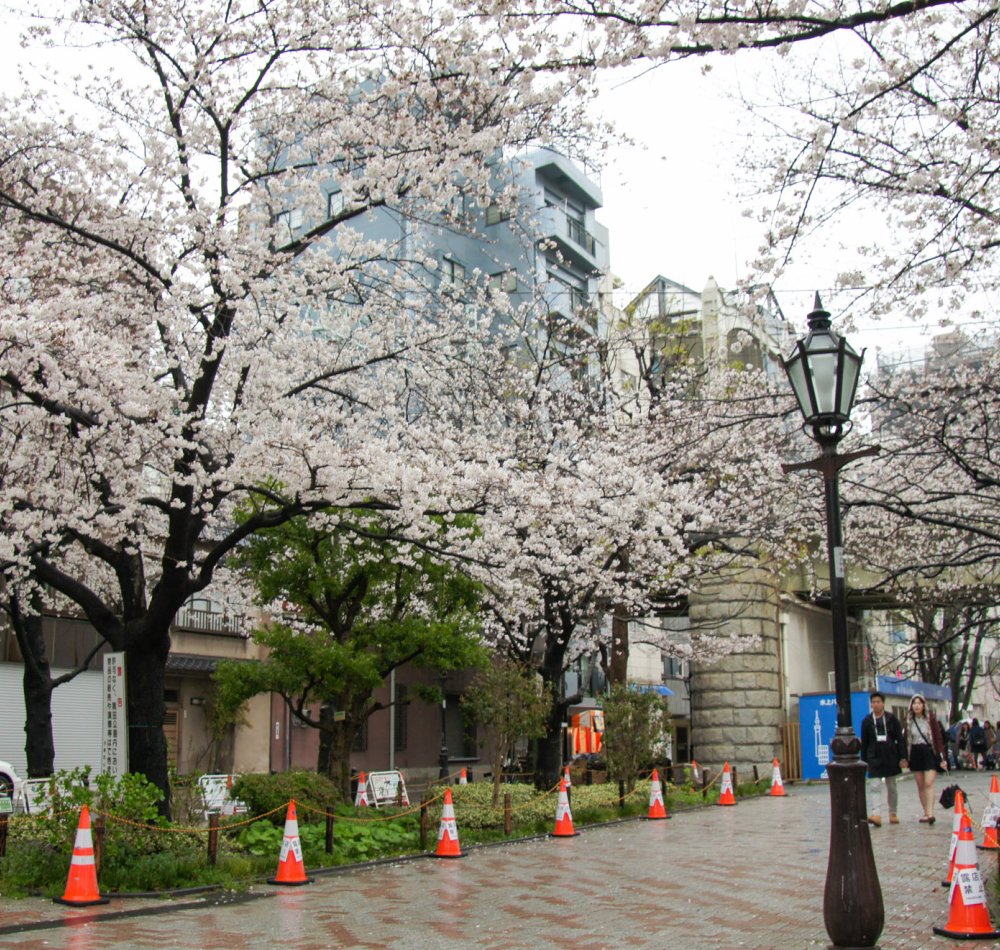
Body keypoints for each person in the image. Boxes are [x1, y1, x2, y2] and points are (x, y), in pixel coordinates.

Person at [860, 691, 907, 827]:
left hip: (890, 756)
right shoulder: (867, 721)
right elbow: (865, 743)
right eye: (873, 702)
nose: (876, 704)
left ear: (883, 703)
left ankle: (893, 812)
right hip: (874, 757)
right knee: (874, 786)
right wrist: (864, 761)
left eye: (878, 702)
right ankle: (876, 814)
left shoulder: (892, 719)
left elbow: (900, 739)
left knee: (891, 786)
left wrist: (902, 756)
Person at [905, 694, 947, 824]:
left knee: (929, 782)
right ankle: (925, 812)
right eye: (914, 703)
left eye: (919, 703)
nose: (917, 705)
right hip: (916, 752)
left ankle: (930, 813)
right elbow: (906, 739)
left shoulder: (930, 719)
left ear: (924, 705)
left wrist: (942, 757)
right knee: (920, 784)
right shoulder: (909, 721)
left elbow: (938, 739)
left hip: (929, 751)